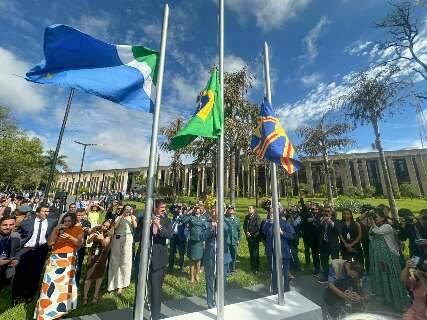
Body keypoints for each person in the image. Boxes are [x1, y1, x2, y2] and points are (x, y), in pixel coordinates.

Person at [34, 212, 84, 319]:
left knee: (64, 286)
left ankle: (59, 312)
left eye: (69, 221)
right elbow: (50, 243)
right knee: (49, 284)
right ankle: (45, 312)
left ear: (74, 221)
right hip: (55, 258)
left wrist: (70, 237)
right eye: (65, 221)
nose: (67, 223)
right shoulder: (58, 229)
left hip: (69, 258)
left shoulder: (78, 229)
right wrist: (55, 229)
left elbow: (80, 243)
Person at [12, 205, 57, 304]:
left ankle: (29, 295)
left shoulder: (52, 222)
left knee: (36, 273)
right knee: (21, 273)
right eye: (44, 211)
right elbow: (17, 233)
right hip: (26, 250)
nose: (47, 213)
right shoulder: (27, 222)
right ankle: (17, 296)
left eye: (48, 211)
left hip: (41, 251)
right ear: (37, 212)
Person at [369, 209, 410, 310]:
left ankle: (399, 301)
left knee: (392, 277)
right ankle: (388, 299)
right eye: (374, 218)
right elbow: (370, 233)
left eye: (376, 217)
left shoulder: (387, 226)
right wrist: (371, 221)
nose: (374, 219)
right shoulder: (375, 226)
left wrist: (372, 222)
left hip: (388, 257)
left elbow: (377, 232)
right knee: (384, 276)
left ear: (383, 218)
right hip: (379, 257)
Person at [141, 199, 173, 320]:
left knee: (156, 290)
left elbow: (169, 234)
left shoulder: (166, 220)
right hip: (145, 257)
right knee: (141, 289)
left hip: (158, 260)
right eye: (161, 208)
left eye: (165, 207)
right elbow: (138, 235)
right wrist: (148, 224)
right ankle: (137, 314)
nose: (164, 210)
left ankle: (155, 316)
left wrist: (159, 226)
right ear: (154, 208)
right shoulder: (145, 218)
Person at [201, 207, 232, 308]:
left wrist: (220, 223)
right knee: (210, 281)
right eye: (213, 210)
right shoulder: (206, 222)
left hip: (223, 257)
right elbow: (201, 236)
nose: (214, 212)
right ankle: (210, 304)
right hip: (210, 257)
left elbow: (228, 231)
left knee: (221, 281)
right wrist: (212, 228)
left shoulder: (226, 222)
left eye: (216, 210)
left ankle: (220, 301)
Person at [262, 211, 295, 293]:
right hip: (272, 253)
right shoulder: (267, 223)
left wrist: (282, 233)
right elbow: (264, 232)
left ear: (278, 214)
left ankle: (286, 290)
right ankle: (275, 290)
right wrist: (269, 223)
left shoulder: (285, 223)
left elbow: (292, 236)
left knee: (284, 273)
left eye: (273, 213)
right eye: (270, 213)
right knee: (274, 273)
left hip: (283, 253)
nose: (271, 215)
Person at [108, 205, 137, 294]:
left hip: (128, 237)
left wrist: (131, 215)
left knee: (125, 261)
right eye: (126, 209)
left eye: (129, 209)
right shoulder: (119, 217)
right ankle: (113, 284)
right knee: (115, 260)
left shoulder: (133, 217)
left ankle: (123, 283)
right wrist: (122, 216)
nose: (127, 210)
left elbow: (135, 226)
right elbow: (115, 227)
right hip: (117, 238)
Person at [83, 219, 113, 305]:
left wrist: (102, 238)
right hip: (92, 254)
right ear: (102, 224)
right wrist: (93, 236)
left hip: (102, 255)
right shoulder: (97, 229)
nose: (104, 227)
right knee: (88, 275)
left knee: (99, 276)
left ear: (109, 228)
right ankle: (85, 296)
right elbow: (88, 241)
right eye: (104, 225)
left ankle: (95, 295)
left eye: (107, 227)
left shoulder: (108, 234)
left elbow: (105, 245)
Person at [178, 204, 206, 282]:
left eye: (198, 208)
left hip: (200, 241)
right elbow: (183, 220)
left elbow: (206, 227)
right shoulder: (191, 217)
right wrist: (188, 212)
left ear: (201, 209)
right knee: (191, 260)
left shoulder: (204, 218)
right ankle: (191, 276)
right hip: (192, 241)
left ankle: (197, 274)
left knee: (198, 259)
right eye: (195, 208)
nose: (197, 210)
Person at [317, 206, 341, 284]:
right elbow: (317, 229)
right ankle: (326, 276)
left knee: (335, 262)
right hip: (324, 244)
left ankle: (335, 278)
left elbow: (338, 230)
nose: (326, 212)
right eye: (324, 211)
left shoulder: (336, 221)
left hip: (333, 244)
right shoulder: (322, 220)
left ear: (332, 212)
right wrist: (321, 222)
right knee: (324, 261)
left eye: (327, 211)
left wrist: (330, 222)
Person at [0, 216, 21, 292]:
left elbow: (18, 250)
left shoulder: (16, 236)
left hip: (8, 268)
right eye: (4, 225)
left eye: (11, 224)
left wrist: (17, 259)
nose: (8, 227)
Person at [301, 199, 320, 275]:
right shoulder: (307, 214)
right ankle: (315, 267)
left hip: (319, 238)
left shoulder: (320, 215)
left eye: (315, 208)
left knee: (318, 254)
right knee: (313, 253)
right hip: (310, 237)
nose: (314, 210)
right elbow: (308, 219)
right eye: (312, 209)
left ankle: (320, 267)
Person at [75, 208, 92, 287]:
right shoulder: (71, 221)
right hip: (70, 246)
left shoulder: (87, 223)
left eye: (82, 215)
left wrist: (88, 230)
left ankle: (76, 283)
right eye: (78, 215)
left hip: (80, 247)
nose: (80, 217)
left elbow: (88, 233)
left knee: (78, 265)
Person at [168, 203, 187, 273]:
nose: (178, 209)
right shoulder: (174, 213)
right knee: (172, 252)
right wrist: (175, 205)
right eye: (178, 208)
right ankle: (170, 267)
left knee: (181, 253)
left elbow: (185, 220)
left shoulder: (184, 215)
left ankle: (181, 267)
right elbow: (170, 208)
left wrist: (181, 212)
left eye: (180, 208)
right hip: (173, 236)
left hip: (181, 237)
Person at [243, 205, 261, 273]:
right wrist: (246, 232)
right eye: (248, 208)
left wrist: (251, 233)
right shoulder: (246, 217)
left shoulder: (257, 217)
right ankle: (252, 266)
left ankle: (256, 267)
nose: (249, 209)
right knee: (251, 252)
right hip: (249, 237)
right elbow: (244, 226)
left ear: (254, 209)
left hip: (255, 237)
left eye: (250, 208)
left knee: (255, 253)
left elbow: (258, 227)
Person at [224, 205, 240, 275]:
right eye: (229, 209)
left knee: (233, 255)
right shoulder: (225, 218)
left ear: (234, 210)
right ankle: (227, 270)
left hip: (234, 240)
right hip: (227, 240)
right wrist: (225, 210)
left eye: (232, 209)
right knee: (227, 255)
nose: (230, 210)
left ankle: (232, 269)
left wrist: (238, 239)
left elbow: (239, 231)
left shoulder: (237, 220)